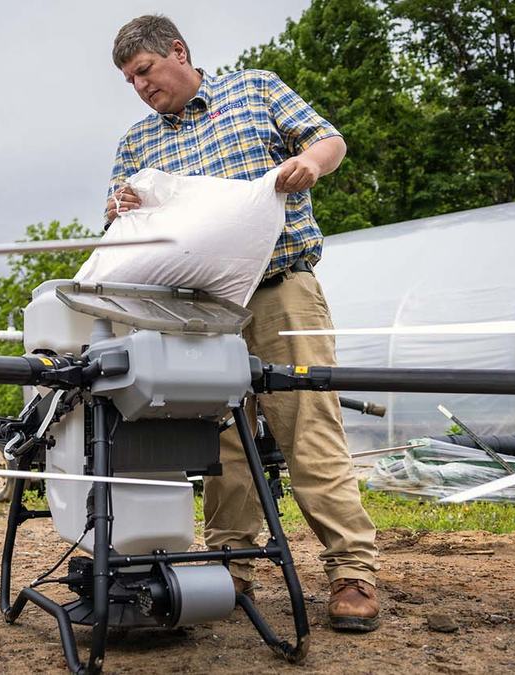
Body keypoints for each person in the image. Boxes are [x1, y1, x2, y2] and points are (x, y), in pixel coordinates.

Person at [104, 14, 380, 632]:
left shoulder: (254, 90)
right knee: (223, 437)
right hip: (198, 310)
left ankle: (352, 572)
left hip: (283, 291)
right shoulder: (137, 143)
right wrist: (118, 208)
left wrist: (310, 162)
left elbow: (329, 141)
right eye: (130, 82)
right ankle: (231, 566)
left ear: (178, 51)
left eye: (145, 72)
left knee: (308, 425)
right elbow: (123, 225)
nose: (141, 88)